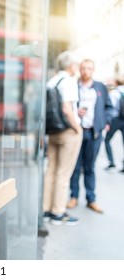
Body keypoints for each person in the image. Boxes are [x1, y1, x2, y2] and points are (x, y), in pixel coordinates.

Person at [67, 59, 113, 213]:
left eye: (89, 68)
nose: (86, 71)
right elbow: (67, 106)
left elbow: (109, 107)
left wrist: (105, 122)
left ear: (93, 70)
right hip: (77, 132)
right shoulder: (73, 85)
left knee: (90, 167)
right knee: (75, 166)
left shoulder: (100, 87)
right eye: (83, 68)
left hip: (94, 133)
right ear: (80, 69)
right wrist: (76, 112)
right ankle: (73, 197)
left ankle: (91, 199)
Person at [42, 51, 83, 225]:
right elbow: (67, 109)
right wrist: (77, 128)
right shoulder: (69, 81)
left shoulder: (52, 80)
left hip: (52, 131)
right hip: (67, 132)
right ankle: (58, 212)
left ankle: (46, 210)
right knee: (64, 173)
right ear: (71, 66)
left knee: (51, 171)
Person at [104, 77, 124, 172]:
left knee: (107, 140)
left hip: (115, 119)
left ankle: (111, 161)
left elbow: (110, 107)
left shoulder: (114, 93)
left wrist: (107, 121)